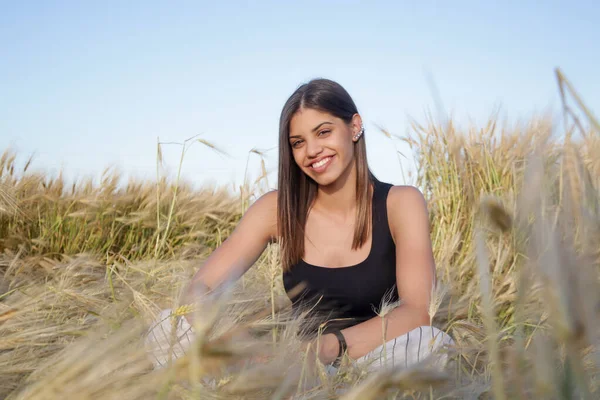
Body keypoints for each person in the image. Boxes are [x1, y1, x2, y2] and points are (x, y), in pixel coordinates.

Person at [145, 78, 453, 372]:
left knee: (433, 346)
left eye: (323, 132)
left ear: (355, 127)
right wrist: (220, 331)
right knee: (168, 327)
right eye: (298, 142)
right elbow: (203, 286)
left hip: (375, 358)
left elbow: (417, 311)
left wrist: (327, 348)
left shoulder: (401, 202)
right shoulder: (278, 209)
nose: (312, 151)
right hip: (294, 366)